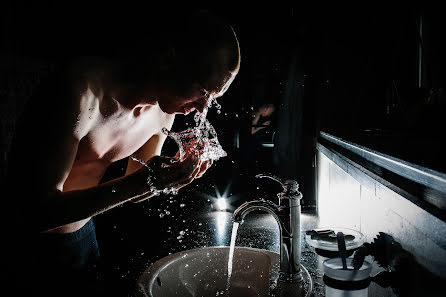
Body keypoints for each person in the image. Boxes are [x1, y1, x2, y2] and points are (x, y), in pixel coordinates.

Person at [5, 10, 240, 296]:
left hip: (83, 236)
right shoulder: (81, 90)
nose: (203, 109)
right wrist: (145, 182)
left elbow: (135, 188)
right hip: (26, 248)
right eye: (202, 91)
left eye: (213, 98)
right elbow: (33, 212)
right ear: (168, 58)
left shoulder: (162, 114)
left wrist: (169, 178)